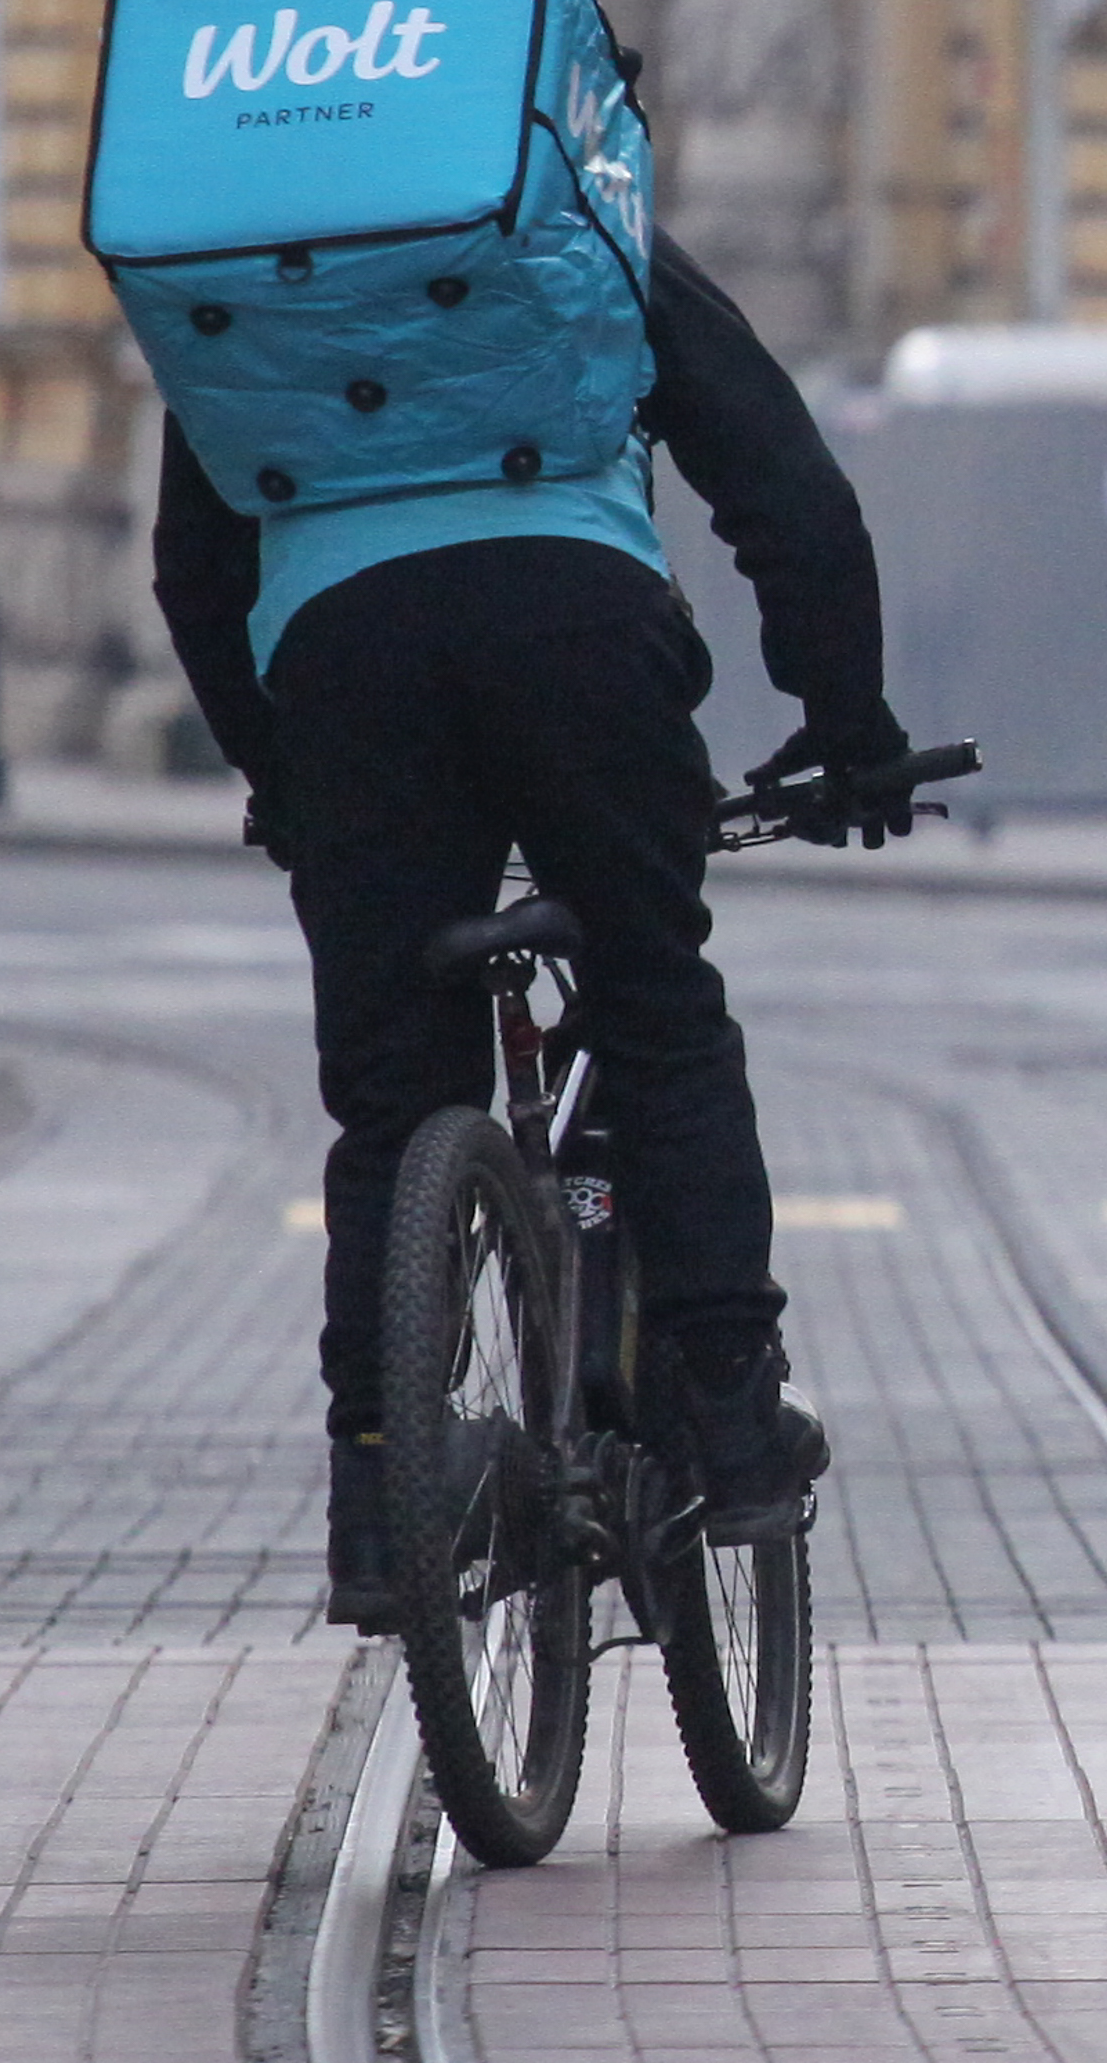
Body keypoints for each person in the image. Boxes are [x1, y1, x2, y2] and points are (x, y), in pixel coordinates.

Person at [149, 223, 900, 1630]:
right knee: (656, 1005)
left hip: (349, 666)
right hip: (579, 637)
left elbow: (193, 563)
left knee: (390, 1101)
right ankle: (733, 1421)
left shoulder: (263, 262)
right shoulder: (570, 219)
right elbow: (782, 485)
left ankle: (378, 1501)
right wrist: (847, 726)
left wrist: (282, 774)